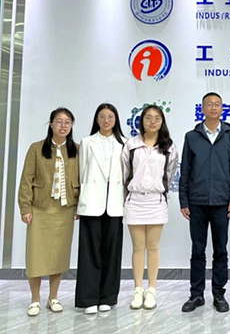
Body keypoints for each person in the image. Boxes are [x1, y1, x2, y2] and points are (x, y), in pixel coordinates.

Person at [179, 92, 230, 313]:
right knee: (197, 250)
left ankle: (219, 294)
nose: (213, 108)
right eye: (209, 104)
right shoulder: (192, 136)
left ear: (222, 109)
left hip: (222, 202)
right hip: (197, 202)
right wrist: (184, 200)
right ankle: (196, 294)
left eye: (217, 104)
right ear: (202, 109)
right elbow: (185, 170)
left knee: (220, 250)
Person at [18, 108, 79, 316]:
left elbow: (82, 180)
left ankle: (53, 297)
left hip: (65, 210)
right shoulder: (36, 148)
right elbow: (26, 179)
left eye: (67, 122)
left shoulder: (76, 150)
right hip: (40, 208)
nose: (63, 125)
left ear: (71, 126)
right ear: (51, 124)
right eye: (59, 121)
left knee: (58, 255)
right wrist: (25, 207)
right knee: (35, 255)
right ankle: (35, 299)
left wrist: (79, 206)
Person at [121, 105, 178, 310]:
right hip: (135, 200)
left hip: (156, 201)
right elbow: (125, 172)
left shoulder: (169, 146)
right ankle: (138, 290)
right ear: (141, 121)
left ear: (162, 122)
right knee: (138, 247)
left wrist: (159, 189)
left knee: (153, 246)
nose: (152, 122)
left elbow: (170, 173)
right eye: (148, 118)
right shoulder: (131, 145)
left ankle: (152, 289)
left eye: (157, 118)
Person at [75, 103, 126, 315]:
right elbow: (81, 174)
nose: (106, 120)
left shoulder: (124, 143)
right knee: (89, 252)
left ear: (116, 120)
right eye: (102, 116)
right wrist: (80, 202)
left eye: (110, 117)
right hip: (92, 202)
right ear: (96, 119)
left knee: (112, 252)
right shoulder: (87, 143)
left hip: (114, 203)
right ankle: (88, 299)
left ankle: (108, 297)